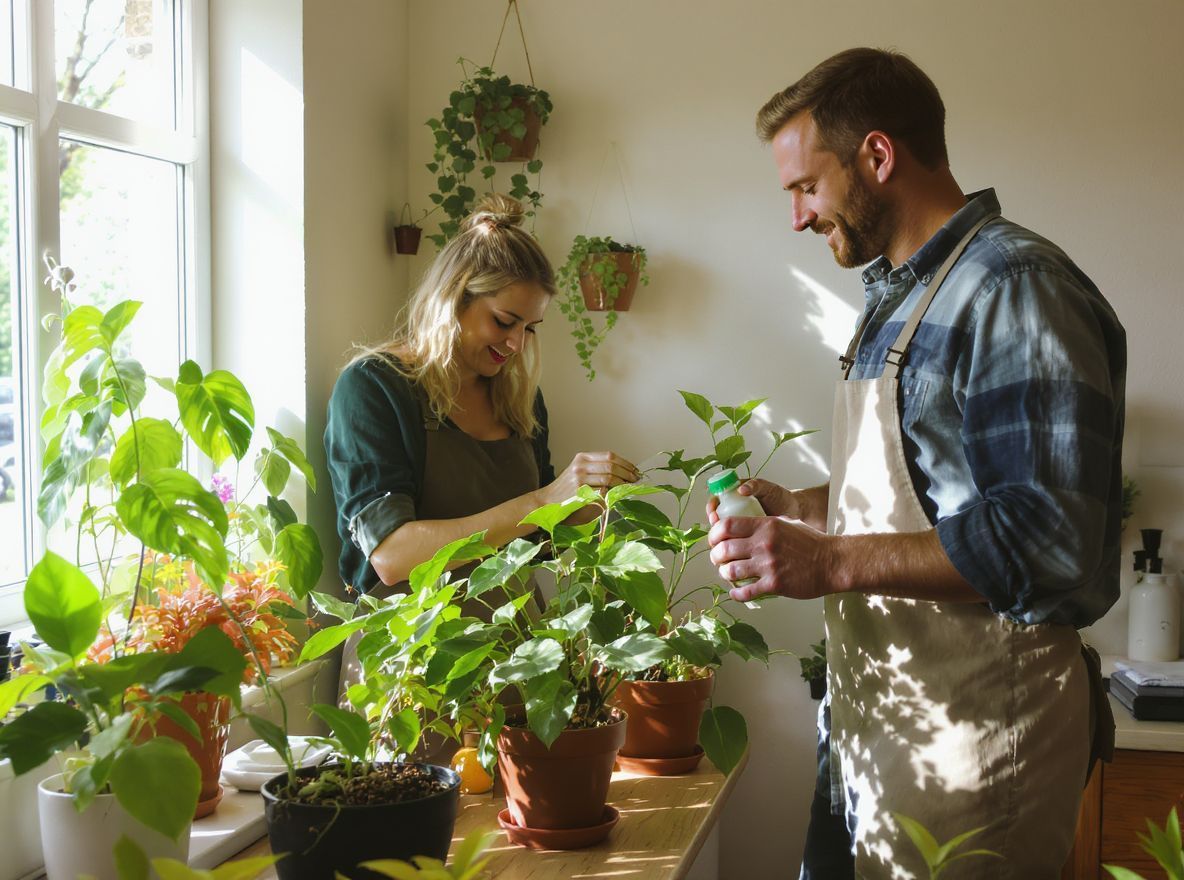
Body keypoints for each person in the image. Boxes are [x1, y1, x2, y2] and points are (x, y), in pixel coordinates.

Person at [707, 49, 1124, 878]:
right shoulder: (900, 296)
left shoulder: (1013, 288)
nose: (797, 217)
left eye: (806, 186)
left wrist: (829, 562)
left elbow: (1046, 541)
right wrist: (804, 508)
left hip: (977, 745)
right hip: (878, 730)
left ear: (877, 155)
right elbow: (928, 490)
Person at [325, 191, 638, 622]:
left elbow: (536, 539)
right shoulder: (375, 388)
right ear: (454, 298)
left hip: (519, 644)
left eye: (530, 328)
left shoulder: (519, 401)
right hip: (409, 648)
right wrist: (544, 500)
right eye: (505, 322)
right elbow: (392, 555)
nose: (517, 344)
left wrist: (587, 503)